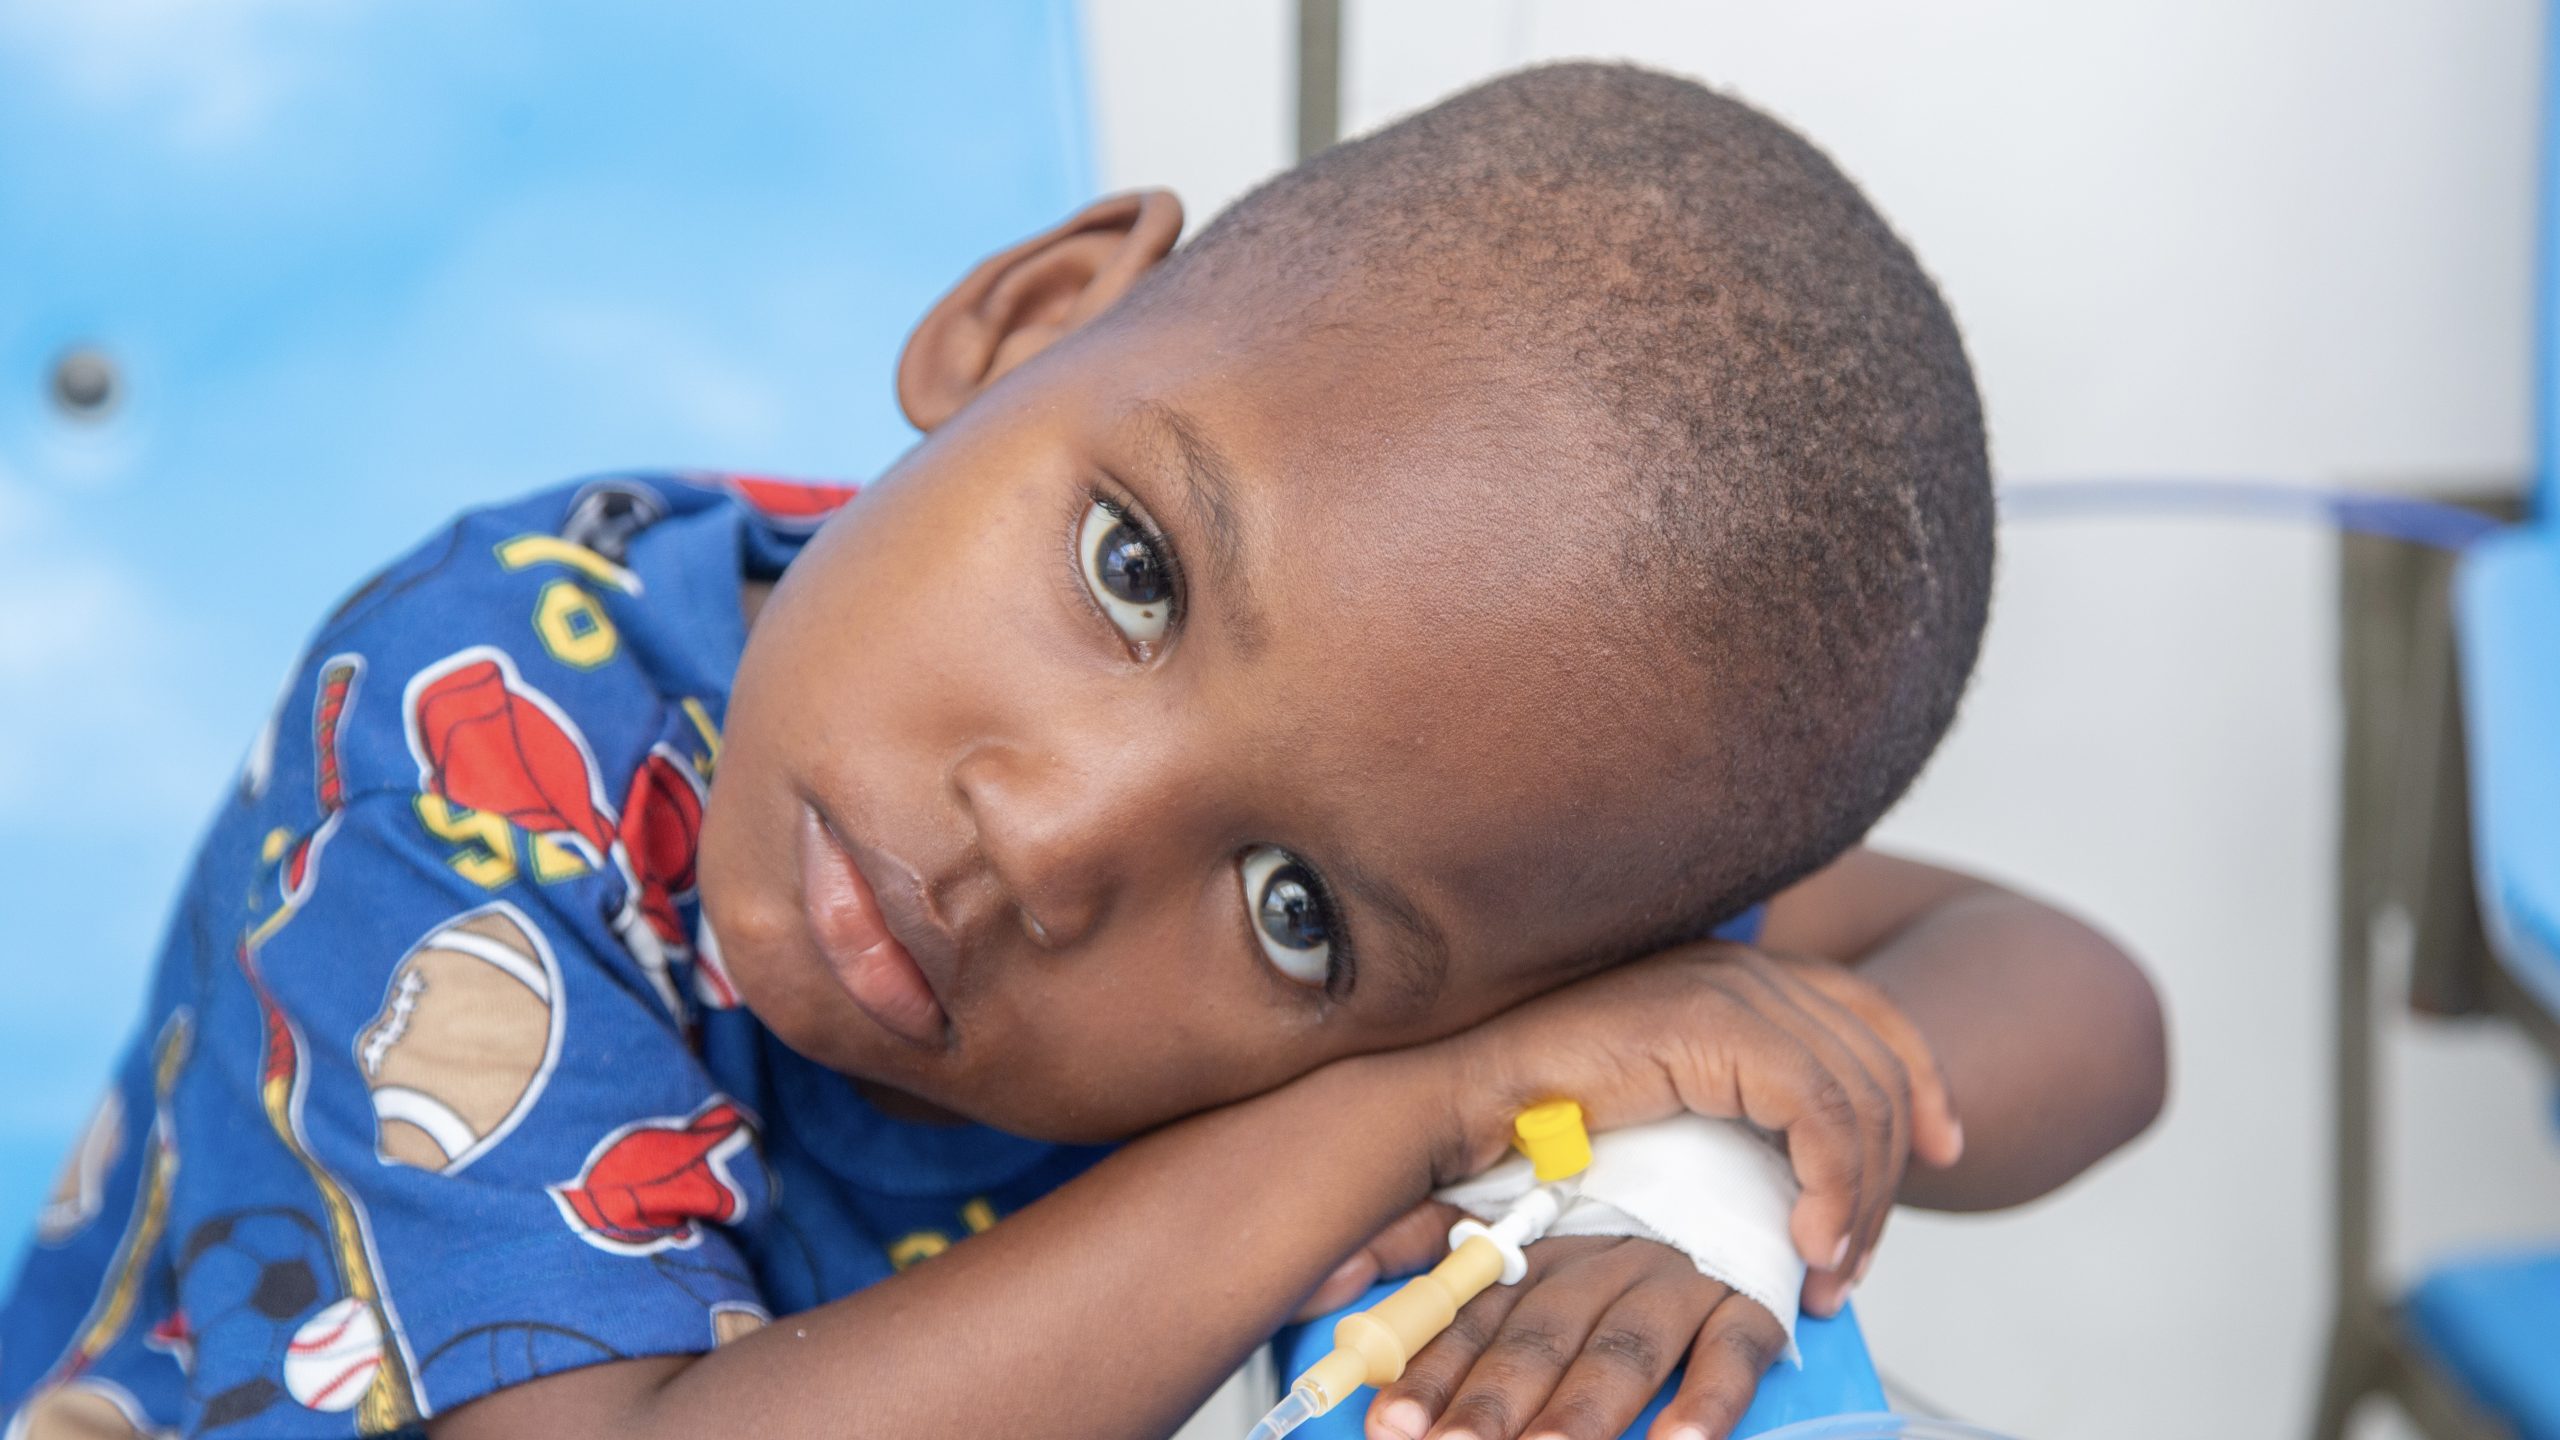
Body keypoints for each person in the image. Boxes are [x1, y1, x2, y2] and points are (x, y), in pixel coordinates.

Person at [0, 63, 2165, 1440]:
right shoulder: (480, 725)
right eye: (1133, 572)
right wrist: (1411, 1107)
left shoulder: (1465, 847)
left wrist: (1706, 1168)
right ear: (1025, 318)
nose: (1047, 840)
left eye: (1293, 913)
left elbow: (2073, 1002)